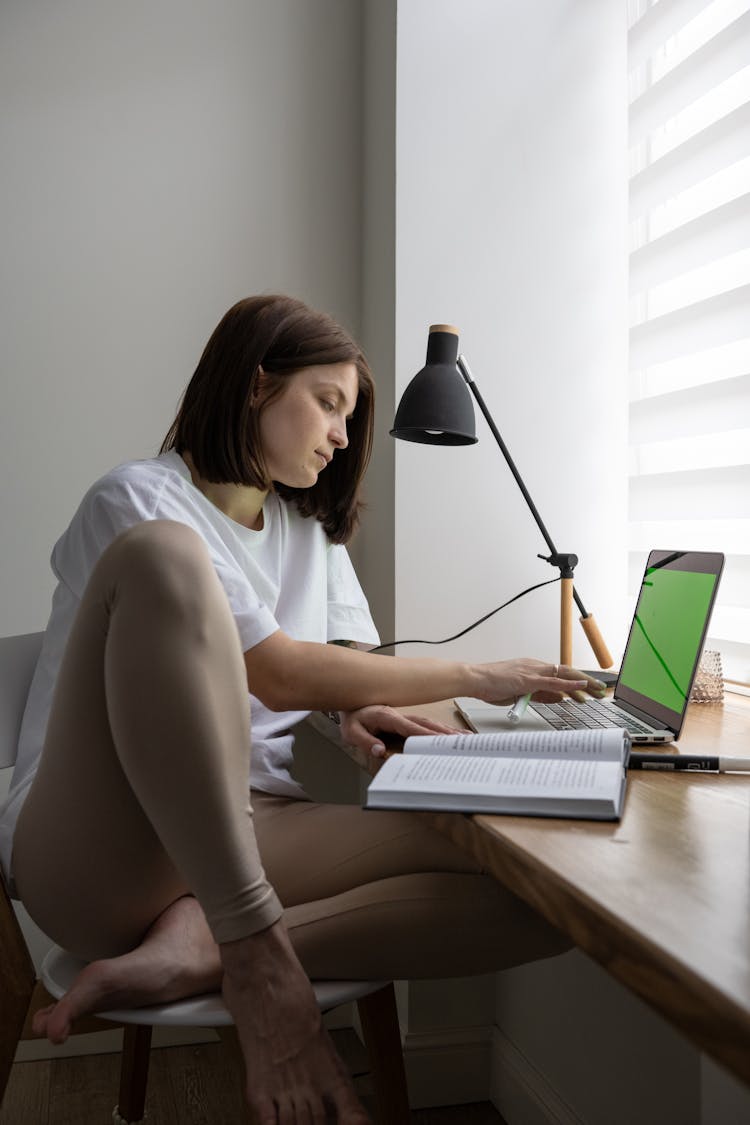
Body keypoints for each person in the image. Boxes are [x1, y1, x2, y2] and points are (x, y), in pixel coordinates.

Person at [0, 294, 606, 1123]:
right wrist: (480, 672)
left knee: (548, 880)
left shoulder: (308, 534)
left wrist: (351, 712)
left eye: (349, 417)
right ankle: (254, 949)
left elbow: (340, 673)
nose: (342, 435)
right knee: (165, 560)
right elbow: (280, 673)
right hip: (103, 849)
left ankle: (209, 946)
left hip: (252, 828)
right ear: (256, 385)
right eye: (329, 402)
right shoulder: (138, 497)